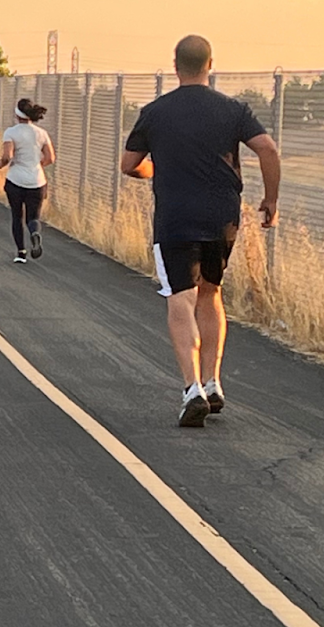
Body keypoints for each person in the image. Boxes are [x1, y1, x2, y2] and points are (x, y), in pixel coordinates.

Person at [120, 35, 282, 428]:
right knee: (211, 292)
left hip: (176, 216)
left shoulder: (156, 112)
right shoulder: (233, 110)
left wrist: (153, 170)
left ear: (175, 65)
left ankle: (191, 388)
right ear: (211, 64)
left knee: (180, 297)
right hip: (221, 215)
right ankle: (213, 382)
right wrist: (271, 200)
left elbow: (129, 164)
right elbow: (268, 150)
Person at [0, 99, 55, 263]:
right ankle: (34, 233)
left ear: (17, 114)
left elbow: (8, 156)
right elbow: (50, 157)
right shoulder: (41, 133)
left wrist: (0, 164)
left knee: (16, 216)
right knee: (33, 217)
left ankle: (21, 252)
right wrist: (37, 164)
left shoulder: (11, 132)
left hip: (15, 179)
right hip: (37, 180)